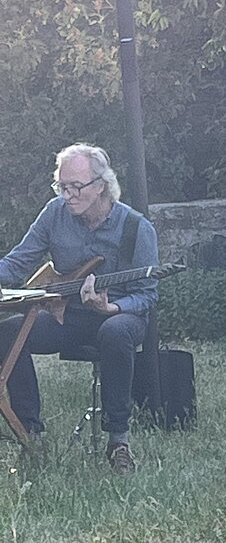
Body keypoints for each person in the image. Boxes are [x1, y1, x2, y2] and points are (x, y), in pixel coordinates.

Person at [0, 143, 159, 474]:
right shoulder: (54, 213)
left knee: (115, 332)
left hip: (121, 316)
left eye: (75, 186)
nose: (67, 195)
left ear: (100, 185)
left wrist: (112, 306)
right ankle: (30, 434)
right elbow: (17, 262)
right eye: (61, 186)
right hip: (68, 315)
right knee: (7, 333)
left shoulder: (136, 227)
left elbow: (147, 296)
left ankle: (118, 441)